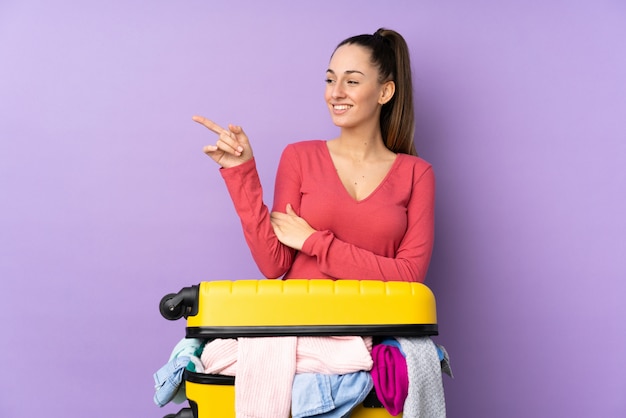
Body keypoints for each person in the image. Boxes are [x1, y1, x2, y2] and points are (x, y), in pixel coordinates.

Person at [193, 27, 435, 284]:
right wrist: (241, 173)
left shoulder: (417, 174)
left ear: (385, 92)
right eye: (331, 80)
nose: (336, 92)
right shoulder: (299, 157)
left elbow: (409, 277)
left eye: (351, 81)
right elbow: (273, 264)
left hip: (378, 324)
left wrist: (313, 241)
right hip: (302, 320)